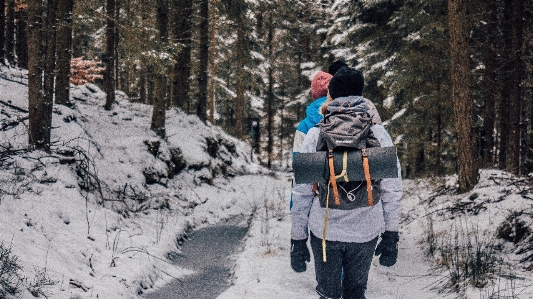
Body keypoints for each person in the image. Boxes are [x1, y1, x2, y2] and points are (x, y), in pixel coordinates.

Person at [290, 66, 402, 299]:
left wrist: (297, 239)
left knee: (328, 295)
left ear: (331, 94)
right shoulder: (379, 134)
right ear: (362, 95)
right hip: (366, 230)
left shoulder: (315, 134)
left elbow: (302, 193)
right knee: (355, 292)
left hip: (325, 231)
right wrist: (391, 234)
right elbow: (392, 189)